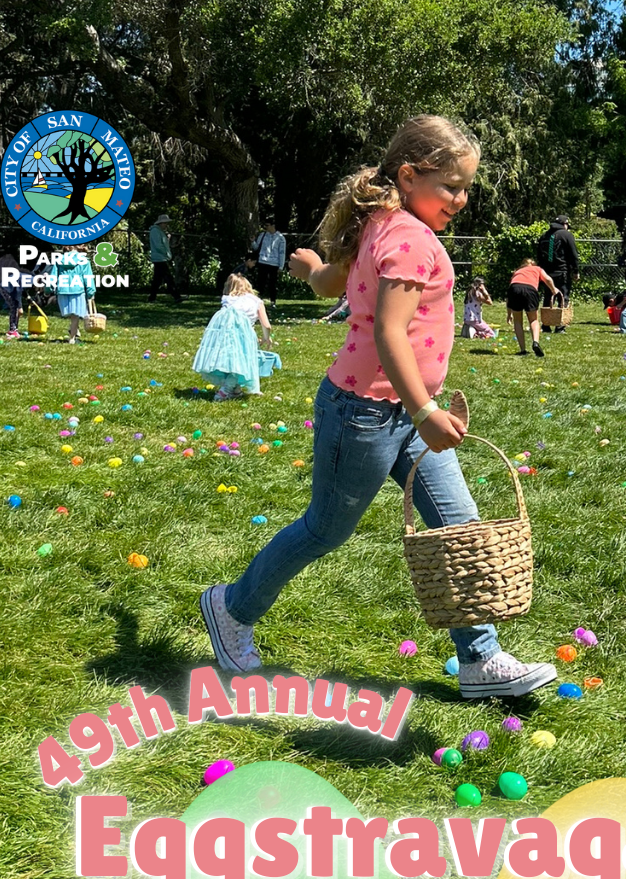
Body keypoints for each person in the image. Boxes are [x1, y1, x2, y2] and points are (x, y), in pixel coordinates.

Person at [198, 114, 557, 700]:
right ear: (410, 174)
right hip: (366, 414)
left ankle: (480, 659)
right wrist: (424, 411)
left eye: (466, 187)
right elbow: (390, 333)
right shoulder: (409, 238)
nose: (462, 199)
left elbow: (331, 281)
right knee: (324, 530)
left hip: (400, 412)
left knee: (457, 524)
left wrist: (307, 265)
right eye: (451, 186)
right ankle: (231, 608)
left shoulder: (381, 225)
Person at [192, 273, 279, 400]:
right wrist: (266, 337)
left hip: (224, 335)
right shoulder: (256, 301)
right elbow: (266, 325)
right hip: (243, 336)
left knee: (231, 362)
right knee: (241, 362)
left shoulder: (228, 299)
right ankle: (226, 390)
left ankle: (236, 389)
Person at [506, 258, 560, 357]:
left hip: (514, 288)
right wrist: (553, 290)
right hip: (530, 290)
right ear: (533, 264)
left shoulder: (517, 272)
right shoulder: (537, 269)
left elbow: (509, 296)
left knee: (517, 321)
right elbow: (547, 279)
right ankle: (535, 342)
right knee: (533, 320)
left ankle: (522, 350)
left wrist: (509, 314)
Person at [536, 214, 578, 332]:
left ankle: (546, 324)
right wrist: (575, 270)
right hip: (562, 271)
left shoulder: (544, 235)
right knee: (563, 297)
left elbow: (539, 254)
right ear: (564, 224)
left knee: (548, 297)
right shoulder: (566, 235)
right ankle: (560, 326)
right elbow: (573, 254)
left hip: (546, 272)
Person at [54, 246, 96, 343]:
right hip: (77, 290)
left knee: (71, 314)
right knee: (75, 316)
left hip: (63, 289)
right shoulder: (84, 260)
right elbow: (88, 278)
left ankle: (74, 330)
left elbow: (53, 275)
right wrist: (91, 292)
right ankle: (72, 338)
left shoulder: (59, 259)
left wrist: (49, 288)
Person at [252, 218, 286, 307]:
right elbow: (256, 248)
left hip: (274, 263)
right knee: (260, 283)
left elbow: (282, 252)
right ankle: (257, 301)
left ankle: (273, 301)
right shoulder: (262, 235)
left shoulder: (280, 238)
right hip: (262, 261)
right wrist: (253, 242)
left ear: (272, 225)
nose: (265, 227)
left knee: (272, 283)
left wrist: (281, 266)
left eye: (267, 225)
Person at [148, 214, 182, 302]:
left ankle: (152, 297)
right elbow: (158, 245)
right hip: (160, 258)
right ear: (161, 223)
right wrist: (166, 254)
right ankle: (176, 296)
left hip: (161, 257)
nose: (167, 225)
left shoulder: (160, 231)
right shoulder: (155, 231)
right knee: (168, 278)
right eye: (165, 223)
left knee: (157, 280)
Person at [0, 249, 24, 338]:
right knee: (14, 308)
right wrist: (20, 306)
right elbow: (18, 292)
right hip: (6, 288)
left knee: (14, 308)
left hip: (3, 285)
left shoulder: (2, 260)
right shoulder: (17, 268)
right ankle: (12, 330)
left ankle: (14, 329)